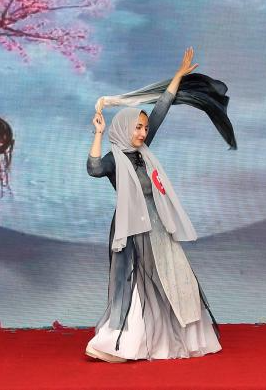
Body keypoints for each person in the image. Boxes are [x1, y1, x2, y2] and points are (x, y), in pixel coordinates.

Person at [85, 47, 222, 362]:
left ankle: (179, 340)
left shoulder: (143, 153)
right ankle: (123, 344)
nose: (143, 133)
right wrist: (99, 133)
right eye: (138, 128)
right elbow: (93, 169)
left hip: (159, 228)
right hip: (133, 231)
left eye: (145, 129)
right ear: (124, 128)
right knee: (137, 285)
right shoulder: (114, 159)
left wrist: (177, 77)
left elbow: (160, 109)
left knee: (174, 279)